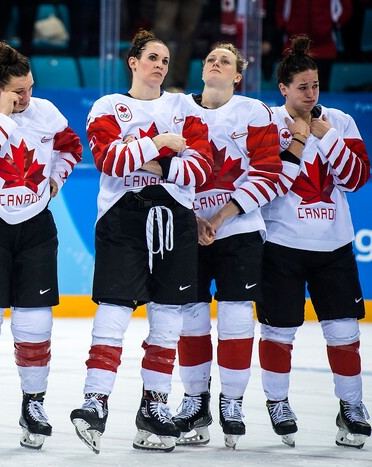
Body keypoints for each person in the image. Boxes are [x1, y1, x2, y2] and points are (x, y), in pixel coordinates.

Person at [69, 29, 212, 454]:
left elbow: (202, 168)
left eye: (166, 60)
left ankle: (154, 406)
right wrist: (164, 144)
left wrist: (148, 158)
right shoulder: (108, 106)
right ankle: (94, 401)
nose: (160, 66)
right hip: (121, 220)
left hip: (176, 220)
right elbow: (109, 162)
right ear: (133, 62)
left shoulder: (186, 107)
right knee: (114, 311)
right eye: (152, 57)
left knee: (168, 318)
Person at [0, 41, 83, 450]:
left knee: (35, 320)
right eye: (18, 90)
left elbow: (70, 147)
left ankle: (34, 403)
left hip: (34, 225)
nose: (27, 96)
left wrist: (55, 182)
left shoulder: (47, 112)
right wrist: (6, 118)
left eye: (30, 87)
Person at [256, 34, 371, 449]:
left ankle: (352, 406)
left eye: (316, 85)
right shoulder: (267, 122)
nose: (311, 94)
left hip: (334, 247)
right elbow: (265, 184)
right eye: (302, 87)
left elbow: (357, 179)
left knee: (343, 332)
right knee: (278, 331)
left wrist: (325, 137)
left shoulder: (339, 122)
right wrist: (299, 139)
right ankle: (277, 401)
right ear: (283, 88)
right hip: (281, 246)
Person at [171, 43, 283, 449]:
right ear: (203, 70)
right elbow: (166, 167)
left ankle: (231, 402)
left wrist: (219, 217)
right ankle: (194, 401)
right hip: (189, 231)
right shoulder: (176, 108)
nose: (216, 64)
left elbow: (269, 170)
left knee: (236, 317)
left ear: (238, 76)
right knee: (191, 317)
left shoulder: (254, 112)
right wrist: (190, 217)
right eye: (211, 59)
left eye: (226, 61)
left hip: (239, 231)